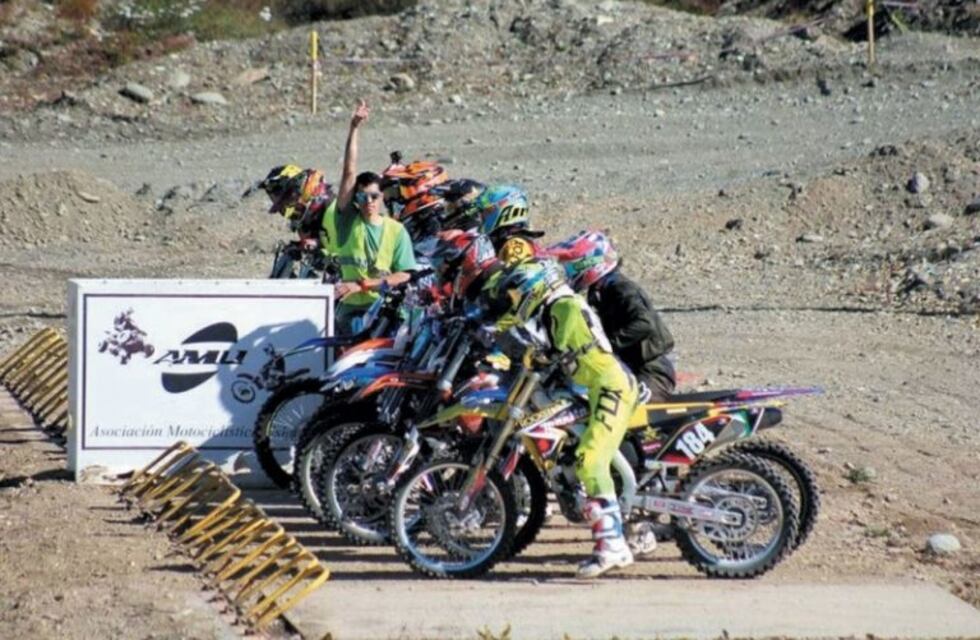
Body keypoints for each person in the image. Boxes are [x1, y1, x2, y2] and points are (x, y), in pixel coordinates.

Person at [482, 258, 639, 578]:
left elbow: (552, 350)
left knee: (590, 459)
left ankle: (614, 545)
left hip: (609, 387)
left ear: (534, 286)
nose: (515, 299)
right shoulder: (555, 307)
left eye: (516, 293)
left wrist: (518, 347)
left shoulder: (564, 307)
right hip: (591, 387)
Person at [322, 100, 417, 334]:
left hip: (383, 311)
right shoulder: (347, 222)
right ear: (356, 200)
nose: (369, 202)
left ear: (382, 197)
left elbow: (405, 273)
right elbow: (349, 172)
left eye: (374, 196)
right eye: (363, 197)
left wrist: (367, 284)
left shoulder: (396, 230)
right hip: (351, 312)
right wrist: (354, 128)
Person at [549, 231, 676, 401]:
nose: (568, 273)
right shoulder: (602, 291)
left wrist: (606, 345)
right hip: (628, 367)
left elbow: (644, 323)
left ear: (591, 262)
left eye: (571, 267)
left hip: (651, 370)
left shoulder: (620, 288)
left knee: (625, 411)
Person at [255, 165, 334, 249]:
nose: (286, 206)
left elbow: (342, 244)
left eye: (288, 199)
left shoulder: (331, 208)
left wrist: (317, 243)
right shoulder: (301, 215)